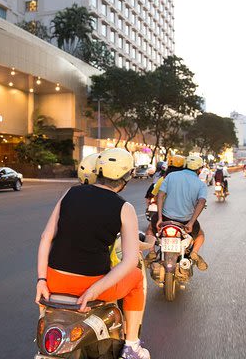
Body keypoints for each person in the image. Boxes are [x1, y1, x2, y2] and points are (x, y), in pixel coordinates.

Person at [36, 148, 150, 359]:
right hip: (89, 286)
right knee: (135, 278)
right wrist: (97, 288)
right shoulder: (125, 208)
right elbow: (130, 260)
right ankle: (132, 345)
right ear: (127, 178)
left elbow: (45, 238)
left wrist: (41, 280)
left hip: (54, 282)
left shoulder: (71, 193)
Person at [152, 153, 208, 271]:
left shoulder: (171, 176)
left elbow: (160, 196)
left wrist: (160, 218)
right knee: (200, 235)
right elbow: (201, 202)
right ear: (199, 169)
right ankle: (194, 253)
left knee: (149, 230)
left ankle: (151, 252)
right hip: (185, 221)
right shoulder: (201, 184)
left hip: (165, 219)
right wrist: (191, 223)